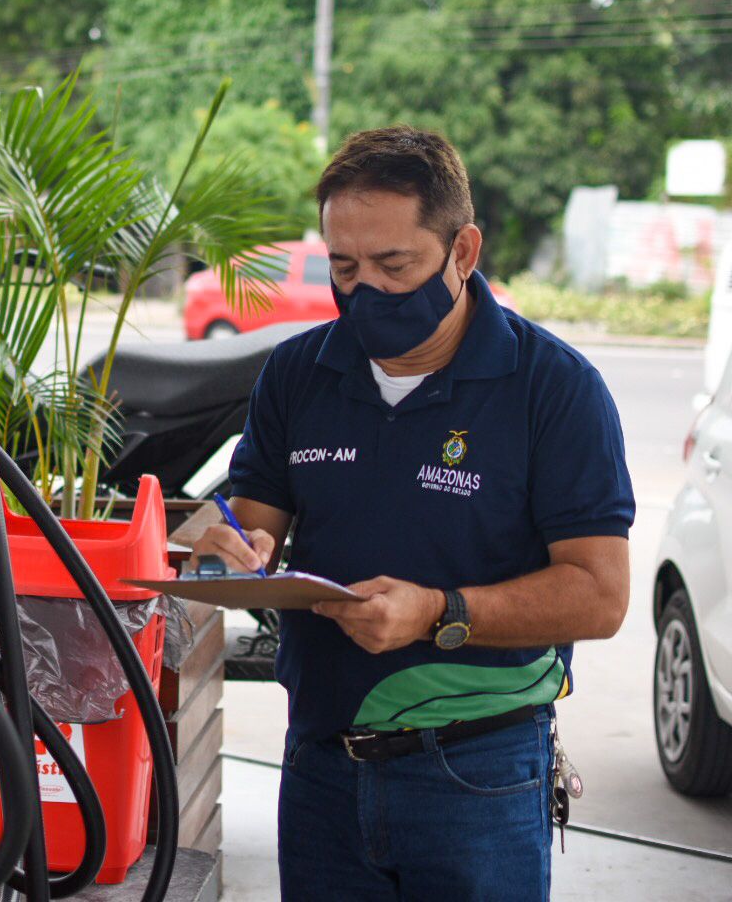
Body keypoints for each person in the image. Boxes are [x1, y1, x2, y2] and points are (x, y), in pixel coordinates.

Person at [193, 126, 633, 901]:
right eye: (345, 267)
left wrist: (438, 612)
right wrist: (227, 540)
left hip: (478, 772)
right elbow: (249, 518)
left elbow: (599, 595)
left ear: (463, 251)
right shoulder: (300, 372)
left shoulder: (554, 389)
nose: (367, 291)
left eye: (395, 265)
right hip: (321, 761)